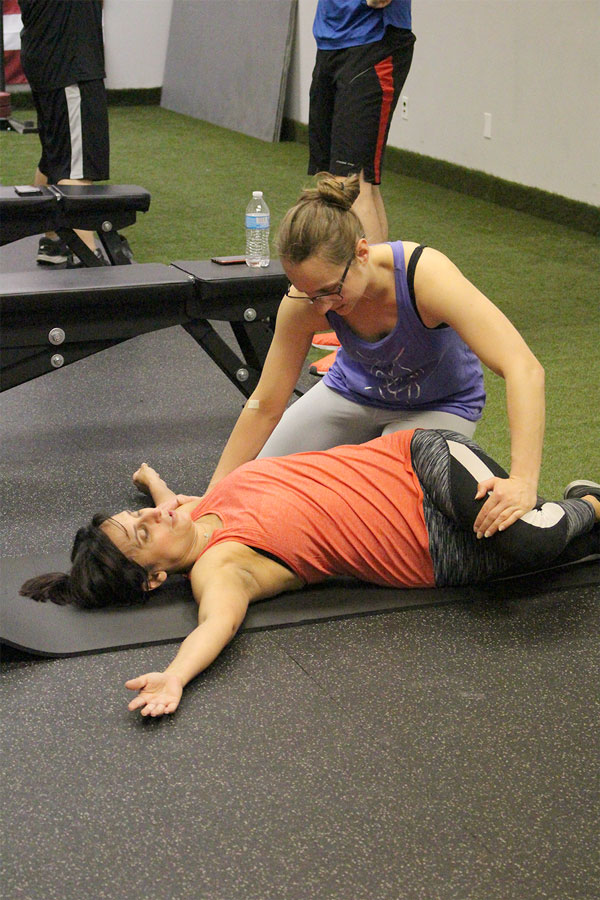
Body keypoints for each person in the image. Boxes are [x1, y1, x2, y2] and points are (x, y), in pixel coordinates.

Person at [20, 428, 599, 718]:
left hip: (419, 460)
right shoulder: (221, 567)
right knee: (539, 548)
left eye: (138, 514)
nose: (153, 515)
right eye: (143, 532)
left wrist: (151, 484)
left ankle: (574, 512)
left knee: (530, 535)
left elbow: (170, 507)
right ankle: (586, 505)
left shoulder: (193, 509)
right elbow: (214, 626)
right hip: (433, 553)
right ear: (153, 580)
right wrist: (174, 677)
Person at [207, 174, 545, 540]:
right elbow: (266, 403)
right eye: (308, 293)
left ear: (362, 253)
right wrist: (213, 497)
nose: (321, 306)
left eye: (330, 291)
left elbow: (523, 368)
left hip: (438, 405)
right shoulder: (305, 300)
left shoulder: (425, 277)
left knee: (377, 513)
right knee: (254, 489)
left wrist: (523, 480)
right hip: (350, 394)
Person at [309, 0, 414, 243]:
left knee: (353, 184)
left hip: (373, 41)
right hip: (330, 41)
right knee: (336, 178)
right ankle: (376, 276)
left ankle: (373, 279)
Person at [19, 0, 109, 265]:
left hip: (50, 57)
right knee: (75, 170)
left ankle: (54, 243)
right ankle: (87, 263)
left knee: (55, 157)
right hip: (69, 64)